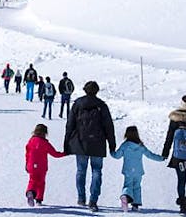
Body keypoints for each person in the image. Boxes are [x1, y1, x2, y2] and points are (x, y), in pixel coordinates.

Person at [64, 80, 116, 211]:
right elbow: (108, 126)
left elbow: (70, 124)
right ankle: (93, 201)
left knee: (81, 170)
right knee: (96, 171)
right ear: (97, 91)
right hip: (97, 143)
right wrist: (112, 144)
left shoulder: (77, 104)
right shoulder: (101, 106)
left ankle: (81, 198)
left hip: (80, 142)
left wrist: (67, 143)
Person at [111, 125, 164, 211]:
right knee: (137, 186)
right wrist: (161, 158)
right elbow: (150, 155)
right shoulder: (140, 146)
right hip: (138, 170)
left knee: (128, 185)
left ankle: (125, 196)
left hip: (128, 170)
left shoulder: (125, 145)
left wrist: (112, 151)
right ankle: (135, 205)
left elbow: (117, 156)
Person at [25, 123, 67, 206]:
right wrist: (65, 153)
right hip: (41, 167)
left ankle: (30, 192)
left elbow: (27, 154)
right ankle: (39, 199)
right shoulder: (45, 143)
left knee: (32, 180)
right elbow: (55, 154)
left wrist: (26, 164)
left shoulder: (31, 141)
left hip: (31, 165)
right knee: (41, 182)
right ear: (45, 133)